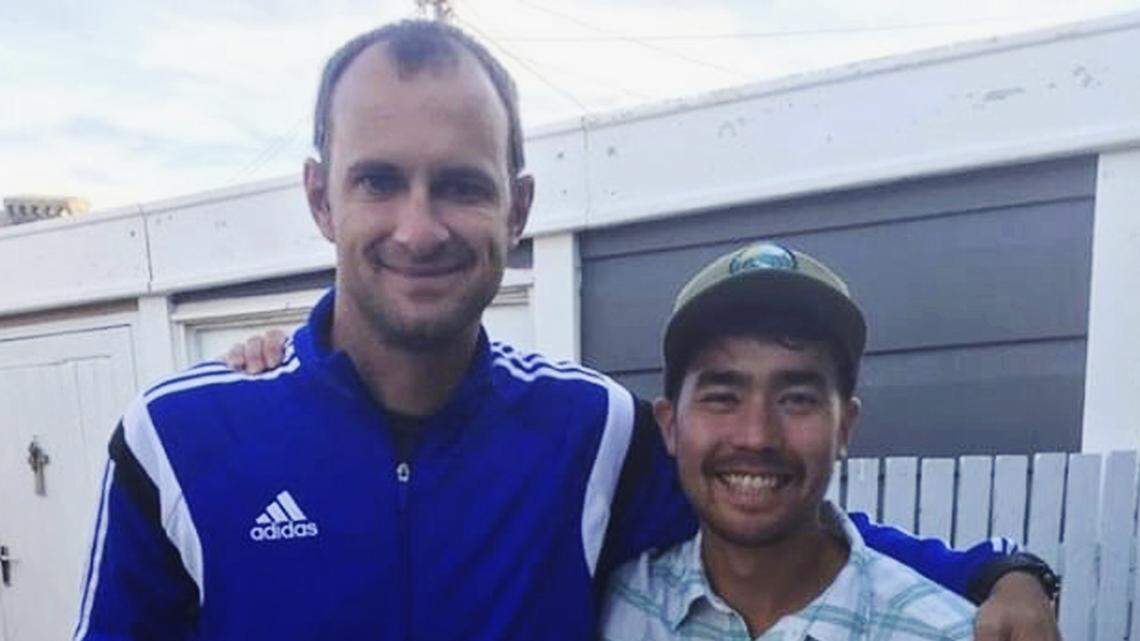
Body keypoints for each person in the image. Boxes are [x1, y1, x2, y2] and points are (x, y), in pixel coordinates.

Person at [75, 20, 1059, 641]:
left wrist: (995, 570)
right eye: (380, 180)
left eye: (461, 185)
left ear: (519, 208)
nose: (419, 227)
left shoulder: (587, 430)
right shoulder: (180, 442)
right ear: (321, 197)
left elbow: (769, 495)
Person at [601, 241, 977, 639]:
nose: (757, 436)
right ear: (670, 425)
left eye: (797, 400)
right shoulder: (612, 609)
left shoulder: (944, 632)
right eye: (723, 398)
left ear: (844, 427)